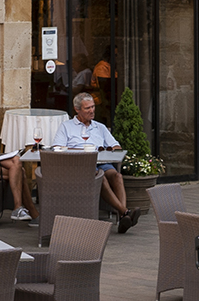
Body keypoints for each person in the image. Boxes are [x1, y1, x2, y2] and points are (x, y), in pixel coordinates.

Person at [37, 92, 136, 231]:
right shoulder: (66, 126)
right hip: (79, 165)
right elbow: (57, 148)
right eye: (87, 108)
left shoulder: (99, 127)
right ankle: (125, 212)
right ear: (77, 109)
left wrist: (109, 148)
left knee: (117, 176)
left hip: (101, 162)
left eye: (93, 107)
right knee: (101, 179)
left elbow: (116, 146)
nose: (92, 111)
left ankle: (123, 217)